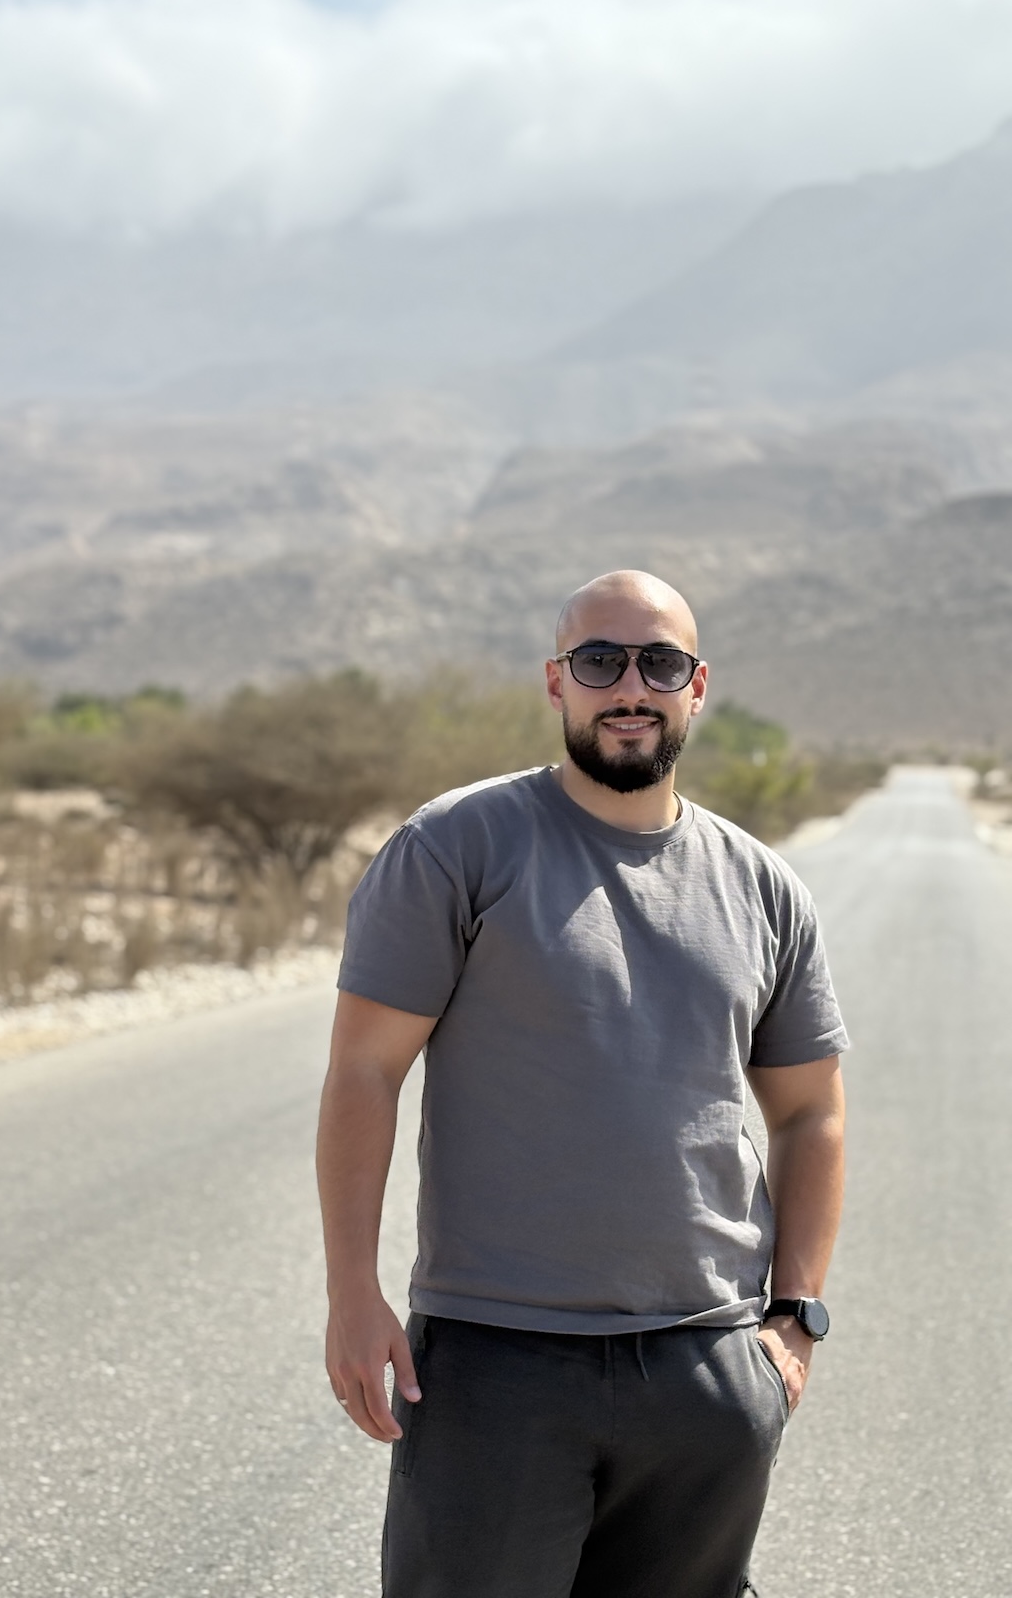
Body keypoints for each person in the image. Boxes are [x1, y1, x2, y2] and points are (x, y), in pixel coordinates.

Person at [316, 569, 847, 1598]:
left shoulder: (763, 886)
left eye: (661, 662)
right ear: (557, 683)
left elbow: (812, 1111)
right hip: (495, 1363)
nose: (631, 687)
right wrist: (351, 1294)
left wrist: (795, 1315)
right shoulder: (457, 847)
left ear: (699, 688)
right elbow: (364, 1070)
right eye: (600, 661)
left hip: (706, 1365)